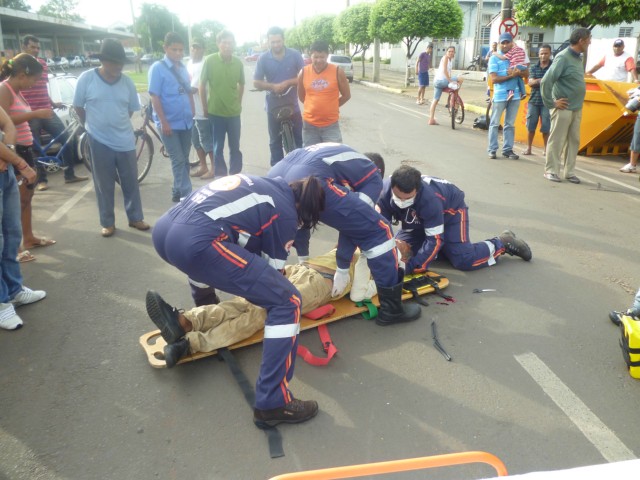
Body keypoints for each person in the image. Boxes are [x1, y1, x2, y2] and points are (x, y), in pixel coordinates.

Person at [150, 174, 325, 428]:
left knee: (219, 271)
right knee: (287, 303)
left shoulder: (267, 185)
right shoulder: (286, 213)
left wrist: (206, 303)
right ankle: (273, 403)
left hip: (167, 231)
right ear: (303, 210)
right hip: (200, 242)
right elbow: (275, 283)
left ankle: (187, 323)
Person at [268, 143, 421, 326]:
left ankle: (267, 284)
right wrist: (342, 268)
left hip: (276, 175)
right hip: (311, 178)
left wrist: (303, 260)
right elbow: (355, 226)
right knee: (380, 231)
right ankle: (392, 310)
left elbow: (301, 222)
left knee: (289, 219)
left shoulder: (338, 158)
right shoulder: (373, 177)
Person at [145, 248, 376, 367]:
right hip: (300, 269)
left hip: (319, 286)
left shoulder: (383, 267)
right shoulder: (366, 240)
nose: (401, 243)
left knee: (260, 313)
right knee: (245, 301)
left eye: (404, 248)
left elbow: (360, 293)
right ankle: (186, 321)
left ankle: (190, 344)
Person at [378, 165, 532, 274]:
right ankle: (448, 248)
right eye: (398, 197)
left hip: (450, 211)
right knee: (402, 251)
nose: (402, 201)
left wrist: (411, 268)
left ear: (417, 190)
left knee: (463, 259)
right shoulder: (383, 192)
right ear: (392, 186)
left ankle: (502, 242)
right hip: (418, 218)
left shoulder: (430, 200)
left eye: (408, 198)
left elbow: (435, 239)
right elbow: (380, 231)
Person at [73, 38, 149, 237]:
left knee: (130, 181)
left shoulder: (127, 82)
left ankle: (135, 218)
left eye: (121, 62)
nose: (118, 66)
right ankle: (107, 222)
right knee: (103, 184)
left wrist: (116, 123)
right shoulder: (86, 79)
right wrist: (91, 125)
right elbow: (79, 107)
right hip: (98, 140)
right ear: (103, 60)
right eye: (114, 62)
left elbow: (131, 110)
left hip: (124, 140)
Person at [0, 53, 57, 264]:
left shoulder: (17, 90)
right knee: (14, 202)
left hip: (24, 148)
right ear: (24, 75)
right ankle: (14, 248)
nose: (34, 84)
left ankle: (29, 237)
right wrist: (35, 114)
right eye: (34, 79)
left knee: (26, 197)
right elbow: (4, 120)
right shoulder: (4, 89)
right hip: (14, 152)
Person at [20, 34, 88, 191]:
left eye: (38, 47)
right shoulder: (19, 66)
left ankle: (69, 175)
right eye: (32, 47)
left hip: (48, 110)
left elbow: (43, 87)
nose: (36, 50)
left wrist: (52, 103)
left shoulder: (42, 64)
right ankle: (41, 180)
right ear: (24, 47)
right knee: (35, 148)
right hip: (31, 115)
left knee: (67, 139)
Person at [0, 102, 46, 330]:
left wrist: (6, 150)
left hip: (4, 169)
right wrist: (17, 160)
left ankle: (14, 289)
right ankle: (1, 303)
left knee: (11, 234)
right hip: (8, 164)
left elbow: (7, 121)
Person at [541, 28, 592, 184]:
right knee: (557, 139)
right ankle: (551, 170)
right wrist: (552, 103)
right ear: (581, 40)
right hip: (563, 107)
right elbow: (546, 81)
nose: (590, 42)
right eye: (589, 39)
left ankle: (569, 172)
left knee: (573, 140)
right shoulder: (563, 57)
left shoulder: (578, 58)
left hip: (576, 107)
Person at [149, 32, 194, 202]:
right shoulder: (157, 68)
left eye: (181, 50)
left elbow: (188, 90)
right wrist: (164, 122)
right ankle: (186, 195)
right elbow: (155, 96)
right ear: (166, 48)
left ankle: (177, 190)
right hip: (169, 124)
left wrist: (193, 109)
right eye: (174, 49)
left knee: (185, 159)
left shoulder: (182, 68)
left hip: (186, 122)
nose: (178, 53)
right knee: (178, 159)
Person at [253, 26, 304, 166]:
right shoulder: (263, 58)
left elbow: (305, 76)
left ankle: (300, 168)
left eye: (278, 41)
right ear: (268, 42)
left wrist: (287, 83)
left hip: (292, 104)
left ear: (283, 40)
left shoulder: (295, 55)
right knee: (275, 141)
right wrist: (272, 87)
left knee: (299, 139)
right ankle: (277, 172)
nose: (276, 44)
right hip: (273, 106)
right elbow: (256, 82)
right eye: (273, 42)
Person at [199, 30, 244, 177]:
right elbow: (201, 85)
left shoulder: (238, 62)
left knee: (235, 147)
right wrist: (205, 107)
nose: (227, 46)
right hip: (215, 113)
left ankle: (235, 176)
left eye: (230, 43)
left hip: (233, 114)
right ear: (218, 44)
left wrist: (238, 102)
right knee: (218, 147)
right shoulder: (210, 61)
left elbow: (241, 84)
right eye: (224, 42)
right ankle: (220, 178)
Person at [298, 40, 351, 146]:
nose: (319, 60)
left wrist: (332, 106)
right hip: (309, 126)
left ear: (327, 55)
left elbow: (346, 95)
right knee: (311, 158)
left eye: (322, 57)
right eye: (315, 57)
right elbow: (301, 96)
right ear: (310, 55)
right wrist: (314, 107)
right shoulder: (303, 72)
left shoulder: (337, 71)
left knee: (334, 157)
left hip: (331, 126)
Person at [487, 33, 527, 160]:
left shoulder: (516, 54)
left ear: (512, 42)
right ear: (499, 44)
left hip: (514, 96)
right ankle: (492, 149)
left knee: (509, 124)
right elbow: (494, 79)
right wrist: (511, 76)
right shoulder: (494, 58)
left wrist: (519, 72)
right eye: (502, 43)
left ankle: (508, 149)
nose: (505, 45)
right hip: (500, 96)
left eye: (507, 42)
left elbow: (527, 72)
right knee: (494, 123)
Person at [186, 39, 215, 179]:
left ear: (203, 49)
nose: (195, 51)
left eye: (198, 48)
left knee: (207, 140)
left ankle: (213, 168)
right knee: (195, 141)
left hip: (203, 109)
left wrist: (175, 90)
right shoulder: (188, 64)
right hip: (191, 111)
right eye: (193, 48)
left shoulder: (205, 64)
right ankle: (203, 166)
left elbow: (193, 87)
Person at [523, 44, 553, 156]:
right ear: (538, 54)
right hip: (534, 101)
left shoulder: (553, 67)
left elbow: (554, 82)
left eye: (546, 53)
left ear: (550, 54)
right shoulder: (533, 67)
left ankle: (546, 149)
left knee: (546, 127)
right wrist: (544, 80)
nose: (543, 56)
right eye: (541, 53)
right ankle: (529, 148)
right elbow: (530, 83)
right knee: (531, 126)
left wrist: (538, 81)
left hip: (547, 102)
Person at [428, 46, 461, 126]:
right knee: (461, 78)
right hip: (441, 81)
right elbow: (445, 71)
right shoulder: (445, 58)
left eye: (452, 51)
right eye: (449, 51)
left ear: (454, 53)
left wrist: (450, 80)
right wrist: (450, 81)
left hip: (437, 82)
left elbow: (448, 73)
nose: (451, 53)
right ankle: (455, 98)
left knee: (435, 100)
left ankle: (431, 119)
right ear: (446, 52)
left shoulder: (450, 60)